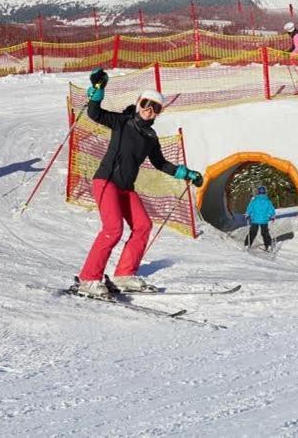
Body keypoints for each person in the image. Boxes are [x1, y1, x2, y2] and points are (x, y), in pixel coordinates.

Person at [77, 68, 203, 298]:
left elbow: (160, 163)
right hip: (106, 181)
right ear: (138, 103)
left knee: (143, 225)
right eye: (146, 103)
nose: (149, 110)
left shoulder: (151, 137)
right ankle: (88, 279)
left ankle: (124, 274)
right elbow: (94, 114)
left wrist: (186, 174)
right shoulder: (122, 122)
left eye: (155, 107)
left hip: (126, 188)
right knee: (113, 229)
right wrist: (98, 91)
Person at [245, 185, 277, 251]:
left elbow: (249, 208)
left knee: (252, 232)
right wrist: (272, 216)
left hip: (255, 220)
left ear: (258, 192)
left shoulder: (254, 201)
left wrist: (247, 214)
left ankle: (247, 244)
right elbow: (271, 210)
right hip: (264, 220)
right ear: (265, 192)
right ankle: (268, 245)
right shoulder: (267, 201)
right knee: (265, 233)